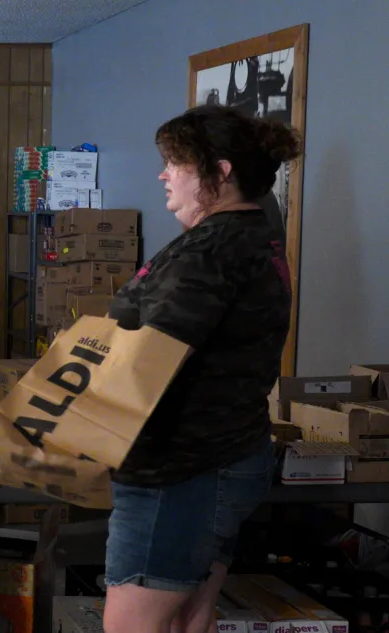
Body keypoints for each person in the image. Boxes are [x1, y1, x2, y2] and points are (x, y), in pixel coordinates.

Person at [102, 105, 301, 633]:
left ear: (221, 170)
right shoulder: (249, 234)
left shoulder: (212, 250)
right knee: (187, 620)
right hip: (223, 453)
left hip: (181, 472)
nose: (163, 174)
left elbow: (153, 360)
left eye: (175, 163)